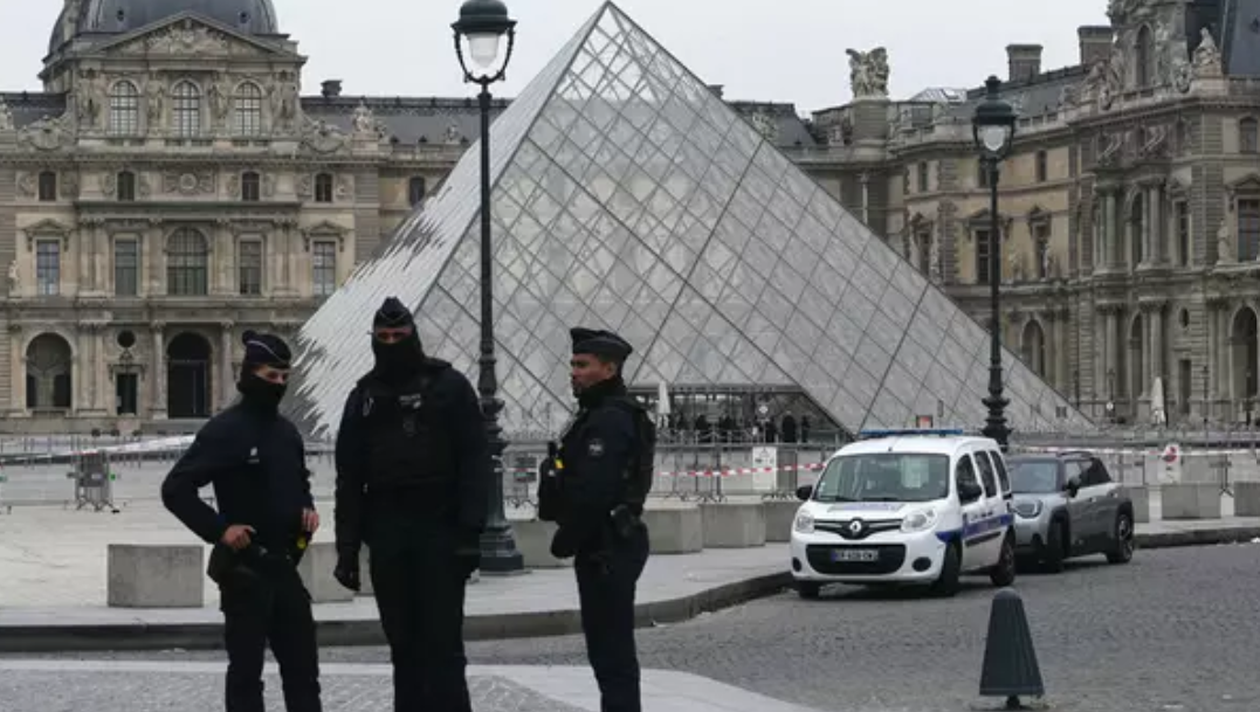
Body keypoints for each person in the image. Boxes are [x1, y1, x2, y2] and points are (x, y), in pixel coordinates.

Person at [331, 296, 490, 712]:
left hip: (441, 529)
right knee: (402, 646)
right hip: (388, 531)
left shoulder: (450, 386)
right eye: (383, 337)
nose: (391, 343)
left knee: (444, 645)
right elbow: (349, 477)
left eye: (398, 336)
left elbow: (475, 462)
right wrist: (347, 549)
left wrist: (471, 532)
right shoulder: (363, 396)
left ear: (413, 335)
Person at [160, 330, 321, 712]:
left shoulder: (287, 432)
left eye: (284, 377)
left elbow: (300, 482)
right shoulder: (225, 430)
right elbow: (175, 489)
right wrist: (220, 529)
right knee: (247, 676)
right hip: (245, 570)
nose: (278, 384)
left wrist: (307, 509)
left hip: (286, 566)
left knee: (304, 672)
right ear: (249, 375)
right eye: (271, 376)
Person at [538, 328, 654, 712]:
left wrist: (567, 538)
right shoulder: (602, 414)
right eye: (573, 363)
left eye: (582, 364)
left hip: (606, 545)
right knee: (608, 651)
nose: (573, 371)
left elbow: (595, 491)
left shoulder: (609, 420)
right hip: (608, 542)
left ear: (609, 369)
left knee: (611, 653)